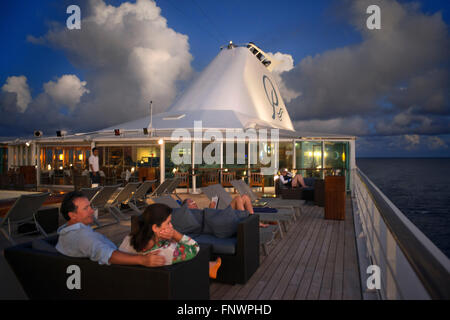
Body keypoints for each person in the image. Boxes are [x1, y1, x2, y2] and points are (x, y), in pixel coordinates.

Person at [56, 191, 165, 267]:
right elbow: (108, 255)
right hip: (123, 262)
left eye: (90, 206)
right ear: (72, 215)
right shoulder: (82, 237)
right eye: (86, 208)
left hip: (120, 251)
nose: (92, 211)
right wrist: (143, 260)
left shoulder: (66, 231)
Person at [119, 203, 222, 279]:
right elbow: (195, 247)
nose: (171, 226)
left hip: (134, 279)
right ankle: (207, 267)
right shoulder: (165, 252)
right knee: (190, 255)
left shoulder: (129, 238)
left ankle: (208, 266)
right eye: (168, 223)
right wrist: (174, 234)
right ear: (155, 228)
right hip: (165, 281)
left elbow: (119, 253)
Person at [182, 195, 269, 228]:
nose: (194, 203)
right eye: (191, 203)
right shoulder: (192, 215)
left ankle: (254, 221)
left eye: (193, 201)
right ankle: (249, 224)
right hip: (220, 220)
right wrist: (211, 209)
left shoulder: (197, 211)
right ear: (187, 207)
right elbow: (207, 223)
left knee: (245, 197)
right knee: (237, 198)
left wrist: (212, 208)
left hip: (220, 215)